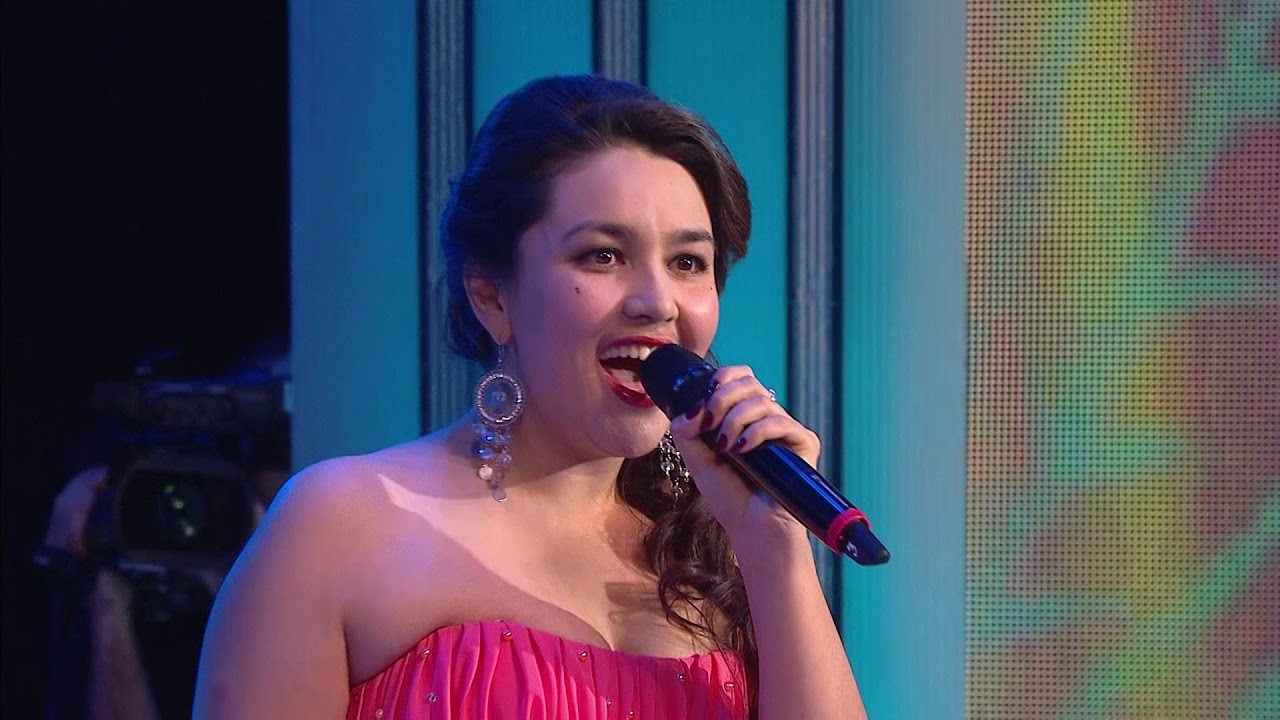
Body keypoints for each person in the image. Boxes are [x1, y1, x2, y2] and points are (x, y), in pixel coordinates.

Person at [194, 75, 865, 719]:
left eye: (688, 262)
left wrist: (775, 547)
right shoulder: (338, 526)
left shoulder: (721, 552)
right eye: (603, 255)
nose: (657, 300)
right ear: (491, 296)